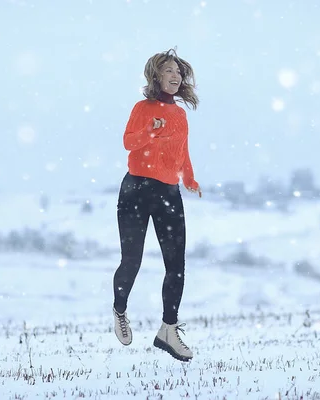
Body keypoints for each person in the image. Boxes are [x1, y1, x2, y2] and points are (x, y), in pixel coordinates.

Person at [112, 48, 201, 362]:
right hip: (136, 189)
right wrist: (152, 130)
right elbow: (128, 142)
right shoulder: (143, 107)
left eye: (178, 71)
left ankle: (168, 329)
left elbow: (182, 150)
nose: (176, 77)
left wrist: (188, 178)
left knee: (176, 266)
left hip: (168, 192)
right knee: (132, 261)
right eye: (168, 71)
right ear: (155, 76)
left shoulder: (180, 114)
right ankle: (120, 310)